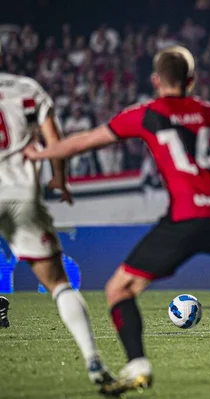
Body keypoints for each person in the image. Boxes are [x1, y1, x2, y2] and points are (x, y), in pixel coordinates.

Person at [25, 46, 210, 395]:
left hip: (185, 216)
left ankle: (138, 365)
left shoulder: (147, 113)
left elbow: (84, 142)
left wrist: (41, 153)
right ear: (192, 80)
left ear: (156, 80)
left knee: (119, 289)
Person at [0, 69, 113, 385]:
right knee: (59, 284)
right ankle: (93, 361)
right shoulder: (26, 89)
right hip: (21, 193)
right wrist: (60, 179)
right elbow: (54, 140)